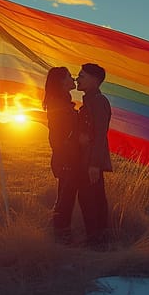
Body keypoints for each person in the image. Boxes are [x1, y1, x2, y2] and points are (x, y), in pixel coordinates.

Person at [75, 63, 112, 247]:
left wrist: (94, 164)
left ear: (94, 80)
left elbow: (100, 135)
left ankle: (96, 242)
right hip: (86, 160)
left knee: (92, 201)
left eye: (81, 76)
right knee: (89, 199)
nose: (77, 79)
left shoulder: (98, 101)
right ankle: (96, 239)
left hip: (90, 162)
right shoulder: (89, 101)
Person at [43, 66, 78, 244]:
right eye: (69, 77)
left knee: (66, 196)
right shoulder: (58, 104)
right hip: (66, 159)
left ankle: (61, 234)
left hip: (67, 157)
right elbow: (56, 136)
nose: (73, 79)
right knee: (65, 198)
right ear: (61, 83)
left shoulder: (63, 102)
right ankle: (61, 236)